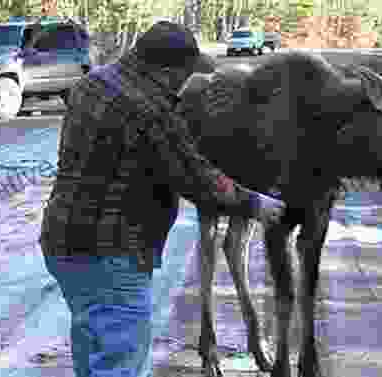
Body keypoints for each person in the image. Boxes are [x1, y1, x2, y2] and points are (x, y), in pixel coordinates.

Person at [38, 21, 285, 377]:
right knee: (120, 363)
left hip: (62, 242)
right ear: (165, 70)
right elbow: (197, 179)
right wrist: (258, 205)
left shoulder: (91, 85)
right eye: (185, 74)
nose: (185, 84)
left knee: (93, 347)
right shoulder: (150, 110)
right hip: (112, 254)